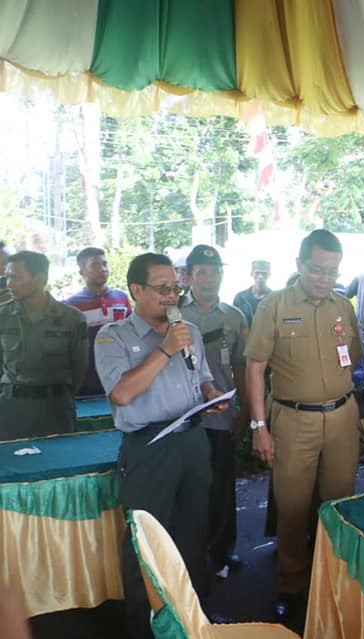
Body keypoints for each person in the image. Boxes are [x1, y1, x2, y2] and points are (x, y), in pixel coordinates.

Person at [95, 253, 228, 639]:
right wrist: (165, 349)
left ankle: (192, 619)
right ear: (136, 289)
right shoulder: (113, 336)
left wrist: (212, 393)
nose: (172, 296)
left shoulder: (189, 331)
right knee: (147, 544)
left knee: (193, 534)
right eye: (162, 288)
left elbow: (201, 378)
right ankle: (142, 626)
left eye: (176, 288)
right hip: (148, 448)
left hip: (192, 440)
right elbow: (121, 393)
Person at [244, 230, 362, 618]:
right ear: (299, 266)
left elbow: (352, 359)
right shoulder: (273, 307)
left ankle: (335, 576)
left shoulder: (343, 306)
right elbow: (255, 366)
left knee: (339, 504)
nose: (324, 277)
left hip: (342, 417)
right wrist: (259, 425)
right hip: (294, 420)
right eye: (316, 269)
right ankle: (293, 586)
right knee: (293, 507)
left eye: (331, 271)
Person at [180, 245, 248, 579]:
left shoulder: (234, 316)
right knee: (187, 487)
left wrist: (246, 411)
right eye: (202, 271)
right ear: (189, 276)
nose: (210, 278)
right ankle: (185, 554)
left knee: (222, 486)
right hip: (180, 418)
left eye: (216, 270)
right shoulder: (174, 314)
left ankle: (222, 551)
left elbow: (241, 367)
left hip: (220, 415)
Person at [0, 251, 87, 441]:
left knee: (59, 464)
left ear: (39, 278)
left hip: (55, 409)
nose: (9, 284)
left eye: (16, 277)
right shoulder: (2, 316)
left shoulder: (71, 318)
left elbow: (79, 367)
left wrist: (61, 396)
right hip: (9, 408)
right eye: (7, 277)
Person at [65, 247, 132, 397]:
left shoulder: (121, 298)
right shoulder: (72, 305)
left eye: (105, 264)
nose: (103, 269)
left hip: (121, 377)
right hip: (87, 382)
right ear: (81, 271)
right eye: (95, 265)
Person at [232, 259, 272, 326]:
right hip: (244, 336)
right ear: (251, 274)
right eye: (257, 273)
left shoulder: (274, 298)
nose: (260, 276)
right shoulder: (240, 298)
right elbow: (234, 322)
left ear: (269, 275)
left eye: (264, 273)